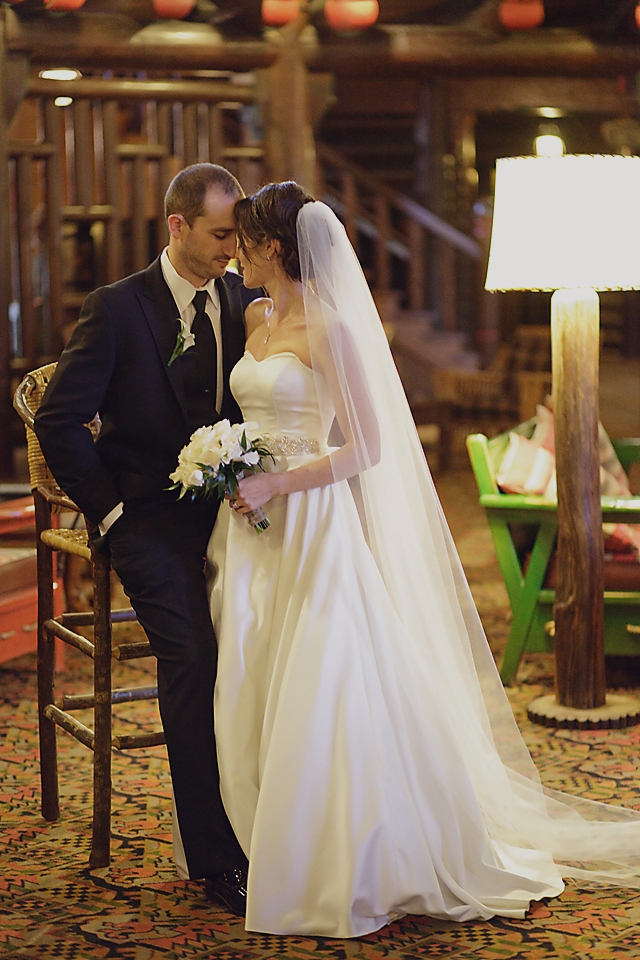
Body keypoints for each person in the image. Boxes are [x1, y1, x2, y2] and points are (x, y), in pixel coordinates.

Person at [198, 181, 640, 938]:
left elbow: (365, 448)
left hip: (309, 519)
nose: (235, 254)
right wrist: (233, 464)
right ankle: (256, 833)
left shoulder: (332, 329)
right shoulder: (254, 317)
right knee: (253, 668)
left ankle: (334, 854)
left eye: (243, 242)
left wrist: (277, 481)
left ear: (272, 247)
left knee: (321, 676)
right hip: (247, 525)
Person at [35, 163, 262, 913]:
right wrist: (109, 513)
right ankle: (216, 859)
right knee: (193, 656)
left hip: (234, 513)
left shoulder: (243, 299)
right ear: (178, 225)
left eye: (238, 237)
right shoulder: (117, 307)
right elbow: (60, 420)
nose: (232, 249)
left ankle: (282, 827)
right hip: (145, 522)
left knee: (282, 644)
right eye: (220, 234)